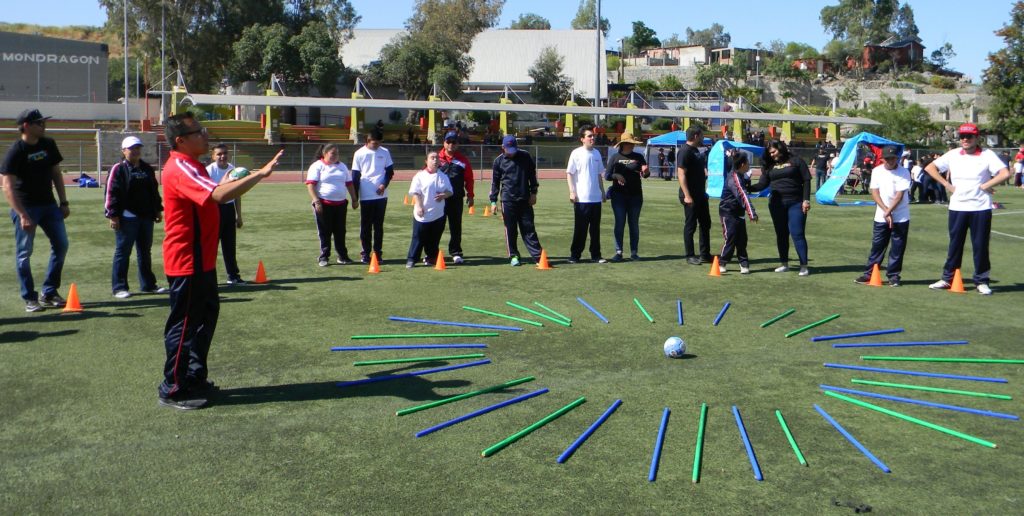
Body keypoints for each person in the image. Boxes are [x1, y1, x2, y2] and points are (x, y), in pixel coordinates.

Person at [158, 112, 283, 410]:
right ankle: (172, 387)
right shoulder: (179, 167)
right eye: (198, 131)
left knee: (204, 320)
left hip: (201, 262)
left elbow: (217, 194)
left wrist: (228, 183)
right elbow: (216, 195)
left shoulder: (194, 165)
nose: (205, 134)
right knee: (185, 325)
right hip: (187, 261)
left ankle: (193, 377)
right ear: (181, 140)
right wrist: (260, 174)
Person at [924, 123, 1011, 295]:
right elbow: (930, 168)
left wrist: (986, 184)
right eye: (962, 136)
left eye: (969, 136)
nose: (965, 139)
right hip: (958, 207)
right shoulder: (954, 154)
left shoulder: (987, 155)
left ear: (977, 138)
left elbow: (1005, 173)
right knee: (955, 244)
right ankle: (947, 278)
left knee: (980, 245)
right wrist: (947, 185)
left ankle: (982, 280)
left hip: (980, 207)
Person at [1, 109, 69, 312]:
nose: (43, 126)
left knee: (61, 245)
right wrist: (22, 214)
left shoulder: (48, 144)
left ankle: (49, 291)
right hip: (26, 207)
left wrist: (63, 202)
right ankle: (29, 298)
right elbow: (8, 187)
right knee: (24, 253)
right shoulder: (16, 151)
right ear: (26, 126)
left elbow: (56, 174)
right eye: (39, 122)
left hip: (48, 205)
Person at [104, 136, 165, 298]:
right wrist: (113, 215)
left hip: (146, 216)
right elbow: (111, 192)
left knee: (145, 251)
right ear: (124, 151)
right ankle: (119, 287)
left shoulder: (146, 168)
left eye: (138, 148)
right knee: (123, 252)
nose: (136, 151)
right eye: (132, 148)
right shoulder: (118, 168)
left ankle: (148, 285)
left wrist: (157, 209)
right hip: (127, 217)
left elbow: (153, 190)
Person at [749, 140, 813, 276]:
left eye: (774, 151)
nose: (772, 155)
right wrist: (746, 187)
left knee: (797, 233)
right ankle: (784, 264)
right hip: (776, 204)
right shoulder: (769, 165)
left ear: (781, 148)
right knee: (781, 234)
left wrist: (806, 200)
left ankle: (804, 266)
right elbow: (761, 184)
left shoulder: (796, 161)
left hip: (796, 203)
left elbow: (806, 180)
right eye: (769, 153)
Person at [854, 146, 912, 287]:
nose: (891, 161)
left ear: (897, 158)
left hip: (900, 216)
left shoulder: (904, 172)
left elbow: (899, 196)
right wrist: (885, 211)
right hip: (881, 215)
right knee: (878, 246)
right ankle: (869, 274)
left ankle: (893, 275)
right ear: (882, 159)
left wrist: (889, 212)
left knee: (897, 247)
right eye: (888, 158)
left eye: (893, 158)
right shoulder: (877, 171)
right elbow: (874, 192)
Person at [490, 135, 543, 266]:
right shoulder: (498, 161)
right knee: (511, 229)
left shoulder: (526, 157)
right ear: (503, 148)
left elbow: (532, 176)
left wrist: (534, 193)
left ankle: (538, 257)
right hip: (508, 200)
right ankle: (513, 256)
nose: (512, 152)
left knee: (529, 228)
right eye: (509, 149)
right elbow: (495, 183)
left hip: (525, 199)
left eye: (513, 148)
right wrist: (493, 201)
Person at [306, 143, 357, 267]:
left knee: (340, 231)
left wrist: (354, 199)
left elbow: (349, 184)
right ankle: (324, 257)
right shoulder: (317, 166)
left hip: (340, 204)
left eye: (337, 153)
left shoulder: (342, 166)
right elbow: (310, 185)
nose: (335, 156)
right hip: (323, 204)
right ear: (325, 153)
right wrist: (316, 201)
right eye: (333, 153)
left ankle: (342, 256)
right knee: (325, 231)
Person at [565, 125, 607, 264]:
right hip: (581, 199)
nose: (592, 138)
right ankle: (575, 255)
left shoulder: (596, 154)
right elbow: (569, 173)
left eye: (593, 136)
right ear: (582, 139)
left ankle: (596, 255)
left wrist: (602, 192)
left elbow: (599, 175)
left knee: (595, 230)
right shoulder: (576, 153)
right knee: (580, 229)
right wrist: (572, 191)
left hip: (595, 199)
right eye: (589, 136)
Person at [351, 130, 394, 264]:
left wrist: (384, 185)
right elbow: (355, 177)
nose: (377, 146)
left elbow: (390, 172)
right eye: (374, 143)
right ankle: (365, 253)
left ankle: (378, 253)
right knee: (366, 226)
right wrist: (355, 197)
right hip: (366, 195)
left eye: (379, 143)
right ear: (367, 141)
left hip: (381, 196)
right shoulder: (359, 154)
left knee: (379, 226)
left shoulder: (385, 152)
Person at [605, 132, 649, 261]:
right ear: (623, 144)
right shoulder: (614, 157)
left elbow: (644, 174)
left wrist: (646, 172)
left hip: (635, 196)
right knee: (619, 223)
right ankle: (618, 252)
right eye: (629, 143)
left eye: (633, 143)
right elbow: (607, 175)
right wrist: (616, 176)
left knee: (633, 224)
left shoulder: (639, 157)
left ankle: (634, 252)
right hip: (618, 196)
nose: (632, 145)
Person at [205, 144, 246, 283]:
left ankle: (233, 277)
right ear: (213, 156)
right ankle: (209, 278)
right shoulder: (209, 170)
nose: (222, 156)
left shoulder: (232, 169)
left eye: (225, 153)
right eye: (219, 154)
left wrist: (238, 215)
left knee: (229, 245)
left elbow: (237, 193)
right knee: (211, 247)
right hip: (213, 209)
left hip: (228, 210)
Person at [406, 151, 453, 268]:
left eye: (437, 158)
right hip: (423, 214)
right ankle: (412, 259)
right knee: (418, 237)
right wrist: (419, 206)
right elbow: (415, 193)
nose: (435, 160)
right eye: (432, 158)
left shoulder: (443, 176)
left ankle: (431, 257)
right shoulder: (420, 176)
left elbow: (450, 191)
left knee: (434, 238)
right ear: (426, 161)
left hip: (438, 214)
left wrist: (444, 195)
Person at [716, 152, 758, 274]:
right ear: (743, 164)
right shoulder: (734, 178)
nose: (749, 165)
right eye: (748, 163)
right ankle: (722, 262)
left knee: (742, 239)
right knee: (731, 237)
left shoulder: (740, 176)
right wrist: (752, 213)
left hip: (738, 213)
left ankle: (744, 264)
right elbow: (742, 195)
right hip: (728, 212)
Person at [438, 130, 475, 264]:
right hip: (439, 199)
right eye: (449, 142)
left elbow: (469, 179)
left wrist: (470, 196)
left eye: (454, 142)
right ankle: (432, 252)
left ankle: (456, 252)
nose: (451, 145)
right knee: (437, 226)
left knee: (455, 226)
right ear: (444, 143)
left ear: (458, 144)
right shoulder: (436, 158)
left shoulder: (463, 160)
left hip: (456, 198)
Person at [677, 126, 712, 265]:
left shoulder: (696, 150)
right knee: (691, 225)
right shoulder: (684, 151)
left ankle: (705, 254)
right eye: (702, 135)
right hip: (690, 195)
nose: (703, 138)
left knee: (705, 223)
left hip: (701, 194)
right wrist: (687, 195)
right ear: (696, 136)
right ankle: (690, 255)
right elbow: (681, 174)